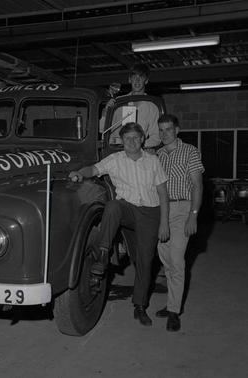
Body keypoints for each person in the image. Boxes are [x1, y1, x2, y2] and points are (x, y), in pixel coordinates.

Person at [69, 122, 169, 326]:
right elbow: (94, 169)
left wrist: (164, 223)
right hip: (128, 210)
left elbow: (162, 194)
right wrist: (80, 172)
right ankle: (103, 255)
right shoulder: (115, 160)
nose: (131, 142)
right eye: (127, 138)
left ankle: (140, 306)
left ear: (142, 139)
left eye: (135, 137)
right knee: (113, 205)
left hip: (150, 213)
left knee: (144, 261)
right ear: (121, 141)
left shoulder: (153, 161)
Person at [156, 114, 205, 332]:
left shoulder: (190, 151)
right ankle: (171, 303)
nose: (165, 133)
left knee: (176, 260)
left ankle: (174, 311)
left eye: (168, 129)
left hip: (182, 209)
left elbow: (197, 185)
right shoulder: (158, 155)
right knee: (165, 258)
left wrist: (193, 215)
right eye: (161, 130)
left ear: (177, 130)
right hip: (162, 211)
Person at [100, 63, 161, 149]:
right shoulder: (118, 102)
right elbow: (102, 129)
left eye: (141, 77)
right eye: (134, 77)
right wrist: (106, 112)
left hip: (138, 153)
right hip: (115, 151)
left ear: (146, 81)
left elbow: (156, 138)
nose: (137, 80)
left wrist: (138, 145)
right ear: (129, 79)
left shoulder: (152, 106)